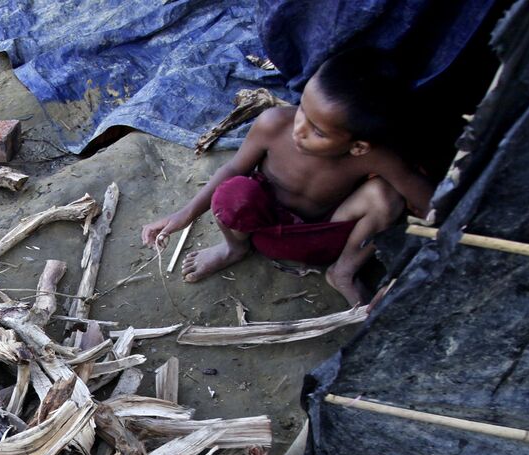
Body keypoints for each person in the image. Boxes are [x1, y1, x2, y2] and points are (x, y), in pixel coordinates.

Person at [142, 49, 434, 307]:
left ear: (358, 147)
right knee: (232, 192)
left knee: (386, 195)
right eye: (303, 109)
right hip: (265, 230)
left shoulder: (375, 156)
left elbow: (428, 202)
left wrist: (409, 265)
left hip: (327, 237)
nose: (299, 129)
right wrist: (184, 215)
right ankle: (233, 248)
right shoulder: (274, 124)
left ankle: (343, 272)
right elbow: (231, 170)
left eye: (317, 131)